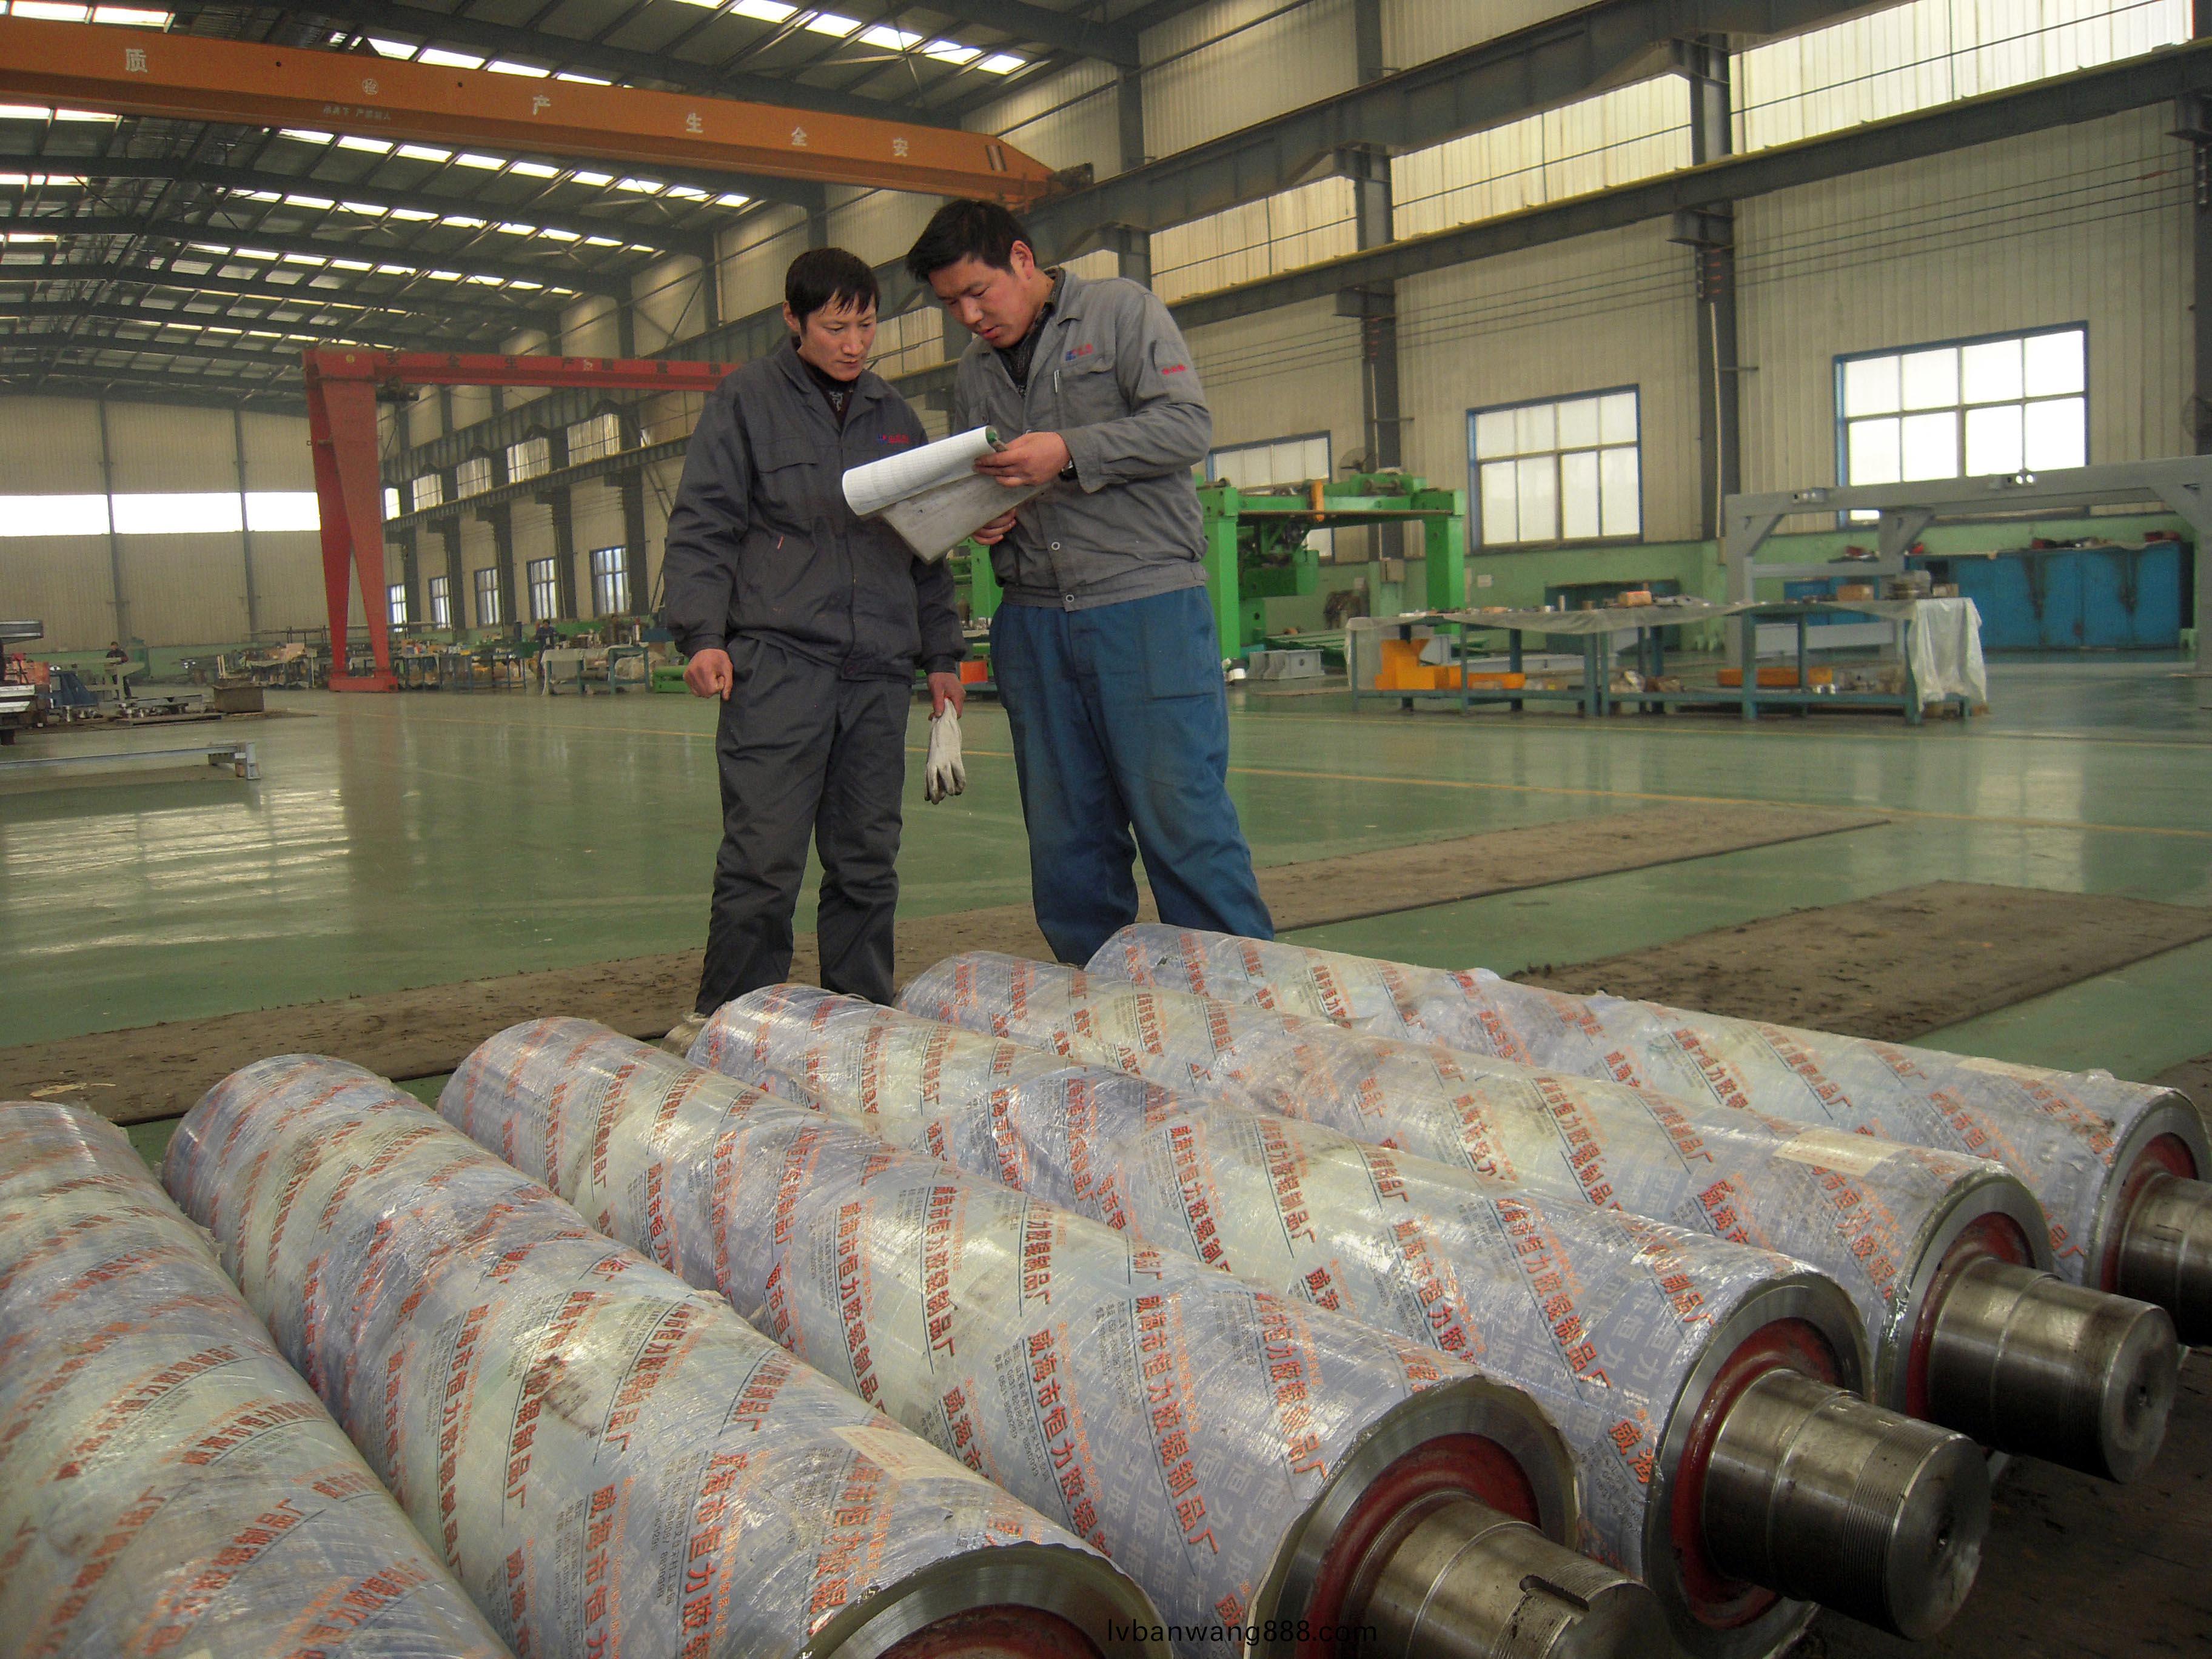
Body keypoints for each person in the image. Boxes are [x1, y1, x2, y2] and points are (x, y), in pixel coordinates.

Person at [904, 199, 1272, 965]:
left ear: (1022, 259)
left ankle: (1239, 999)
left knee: (1183, 821)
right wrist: (984, 517)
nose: (969, 316)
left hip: (1144, 608)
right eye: (950, 304)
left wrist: (1069, 451)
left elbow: (1186, 426)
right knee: (1067, 840)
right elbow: (984, 480)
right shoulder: (974, 372)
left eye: (978, 292)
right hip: (1034, 621)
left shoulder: (1120, 313)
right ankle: (1099, 997)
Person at [660, 246, 965, 1047]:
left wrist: (942, 657)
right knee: (763, 859)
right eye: (836, 327)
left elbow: (928, 544)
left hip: (876, 674)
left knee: (867, 860)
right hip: (778, 666)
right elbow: (703, 526)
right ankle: (730, 1023)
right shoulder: (746, 403)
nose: (855, 343)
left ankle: (857, 1025)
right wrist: (703, 635)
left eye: (867, 325)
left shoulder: (895, 417)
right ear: (793, 320)